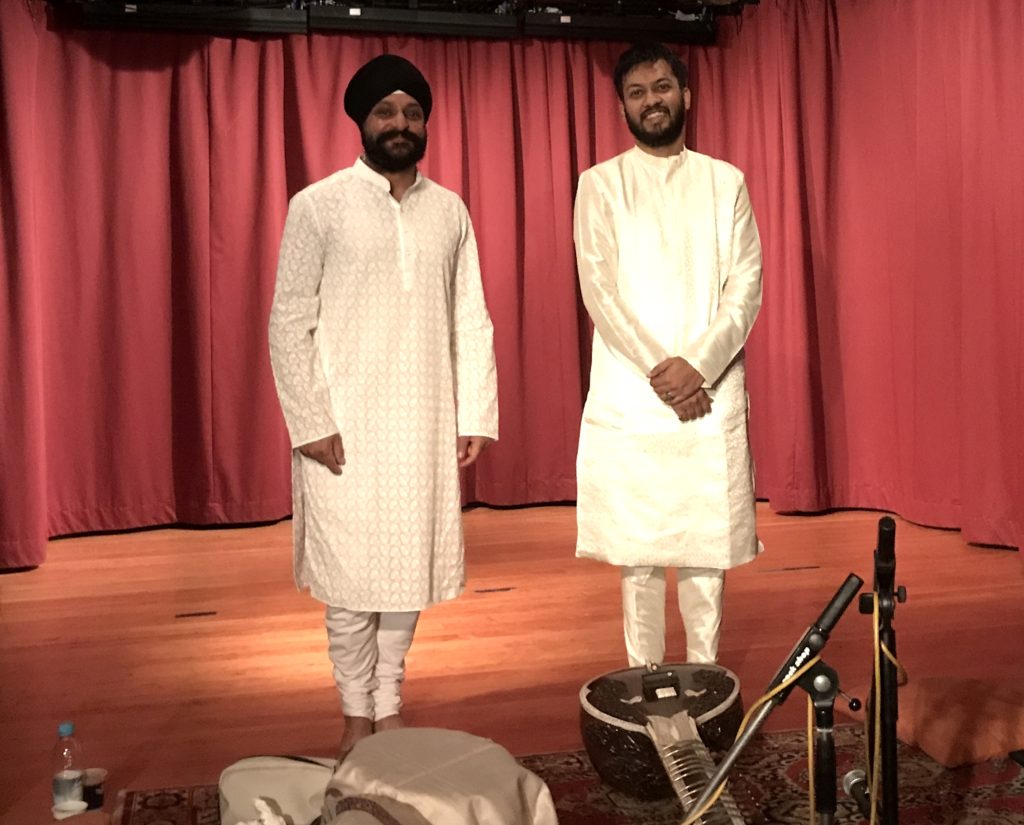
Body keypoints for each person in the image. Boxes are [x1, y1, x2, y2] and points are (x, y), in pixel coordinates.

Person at [268, 53, 499, 759]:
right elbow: (288, 321)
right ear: (362, 122)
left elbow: (471, 316)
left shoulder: (449, 210)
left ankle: (389, 700)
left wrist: (474, 413)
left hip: (423, 418)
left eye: (412, 112)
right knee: (349, 576)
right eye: (386, 111)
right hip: (344, 425)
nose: (400, 123)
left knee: (408, 569)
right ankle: (353, 712)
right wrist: (311, 422)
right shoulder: (317, 205)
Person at [573, 42, 762, 668]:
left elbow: (745, 287)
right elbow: (600, 293)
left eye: (661, 87)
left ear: (686, 95)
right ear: (622, 108)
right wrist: (667, 375)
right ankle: (645, 684)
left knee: (706, 555)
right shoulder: (600, 185)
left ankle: (707, 682)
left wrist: (698, 367)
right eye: (636, 93)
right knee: (641, 557)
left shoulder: (725, 182)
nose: (651, 101)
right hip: (636, 397)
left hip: (709, 393)